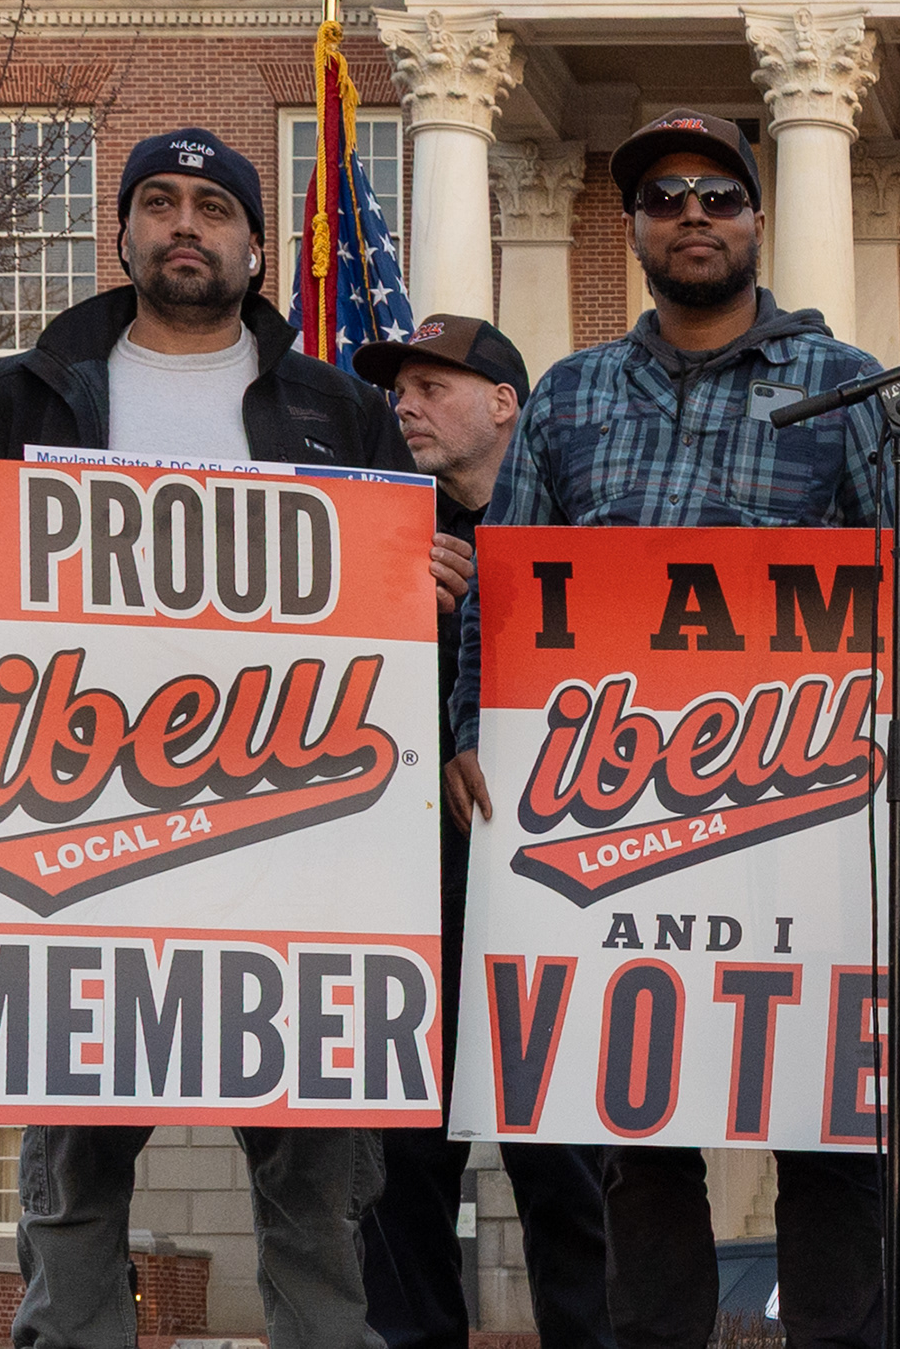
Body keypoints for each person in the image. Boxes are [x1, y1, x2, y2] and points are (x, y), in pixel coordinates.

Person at [446, 112, 900, 1349]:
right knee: (637, 1136)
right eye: (663, 195)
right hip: (613, 816)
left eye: (717, 192)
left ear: (757, 218)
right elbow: (502, 594)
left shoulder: (847, 387)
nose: (692, 212)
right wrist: (473, 727)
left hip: (808, 814)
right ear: (633, 227)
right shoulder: (572, 395)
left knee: (833, 1136)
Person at [0, 129, 411, 1349]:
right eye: (159, 201)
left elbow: (397, 626)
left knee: (318, 1190)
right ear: (121, 233)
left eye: (214, 205)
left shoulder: (341, 407)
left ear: (256, 244)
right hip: (83, 827)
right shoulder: (28, 392)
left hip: (297, 840)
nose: (185, 223)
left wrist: (429, 582)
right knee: (73, 1181)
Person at [349, 315, 612, 1349]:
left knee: (567, 1165)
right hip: (413, 901)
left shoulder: (586, 521)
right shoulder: (374, 536)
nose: (404, 405)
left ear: (505, 402)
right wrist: (393, 603)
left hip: (558, 897)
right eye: (398, 390)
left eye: (431, 386)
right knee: (402, 1170)